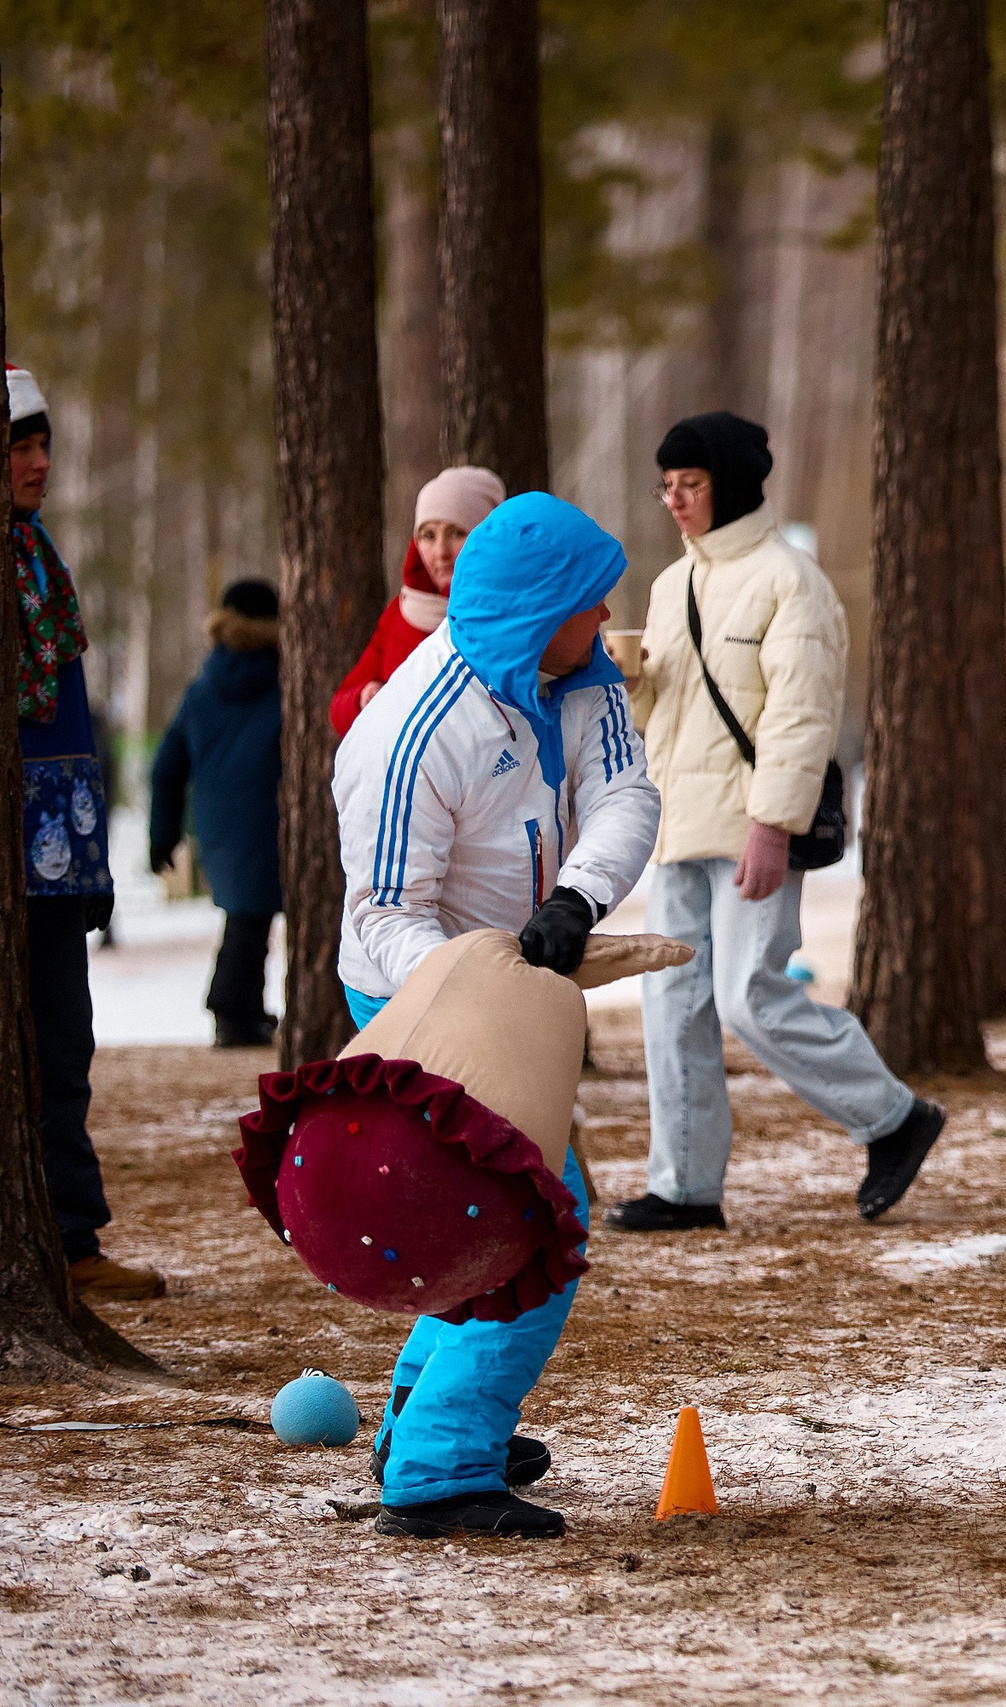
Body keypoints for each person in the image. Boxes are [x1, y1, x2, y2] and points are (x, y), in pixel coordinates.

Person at [335, 491, 659, 1539]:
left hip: (523, 982)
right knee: (531, 1225)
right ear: (539, 609)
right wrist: (474, 992)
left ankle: (419, 1421)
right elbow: (383, 911)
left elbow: (624, 793)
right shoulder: (411, 729)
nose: (605, 622)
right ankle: (440, 1470)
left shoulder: (582, 677)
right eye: (589, 605)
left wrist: (578, 897)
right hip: (416, 994)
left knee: (486, 1217)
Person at [609, 411, 943, 1234]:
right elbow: (667, 718)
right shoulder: (671, 584)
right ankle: (684, 1186)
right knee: (672, 1004)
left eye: (690, 484)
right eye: (667, 486)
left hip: (755, 828)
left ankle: (893, 1117)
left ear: (730, 485)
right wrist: (634, 680)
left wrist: (773, 826)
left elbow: (803, 717)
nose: (674, 500)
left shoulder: (792, 582)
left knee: (749, 997)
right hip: (683, 825)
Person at [7, 365, 162, 1301]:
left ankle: (69, 1237)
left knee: (65, 1046)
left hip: (57, 858)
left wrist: (91, 854)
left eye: (42, 444)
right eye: (19, 446)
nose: (39, 463)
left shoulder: (38, 556)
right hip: (13, 862)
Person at [149, 580, 283, 1048]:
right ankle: (233, 1013)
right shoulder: (290, 682)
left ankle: (241, 1010)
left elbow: (166, 767)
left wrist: (163, 835)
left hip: (218, 824)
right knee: (255, 921)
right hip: (273, 816)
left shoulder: (204, 688)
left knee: (246, 917)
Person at [329, 467, 505, 736]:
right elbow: (339, 708)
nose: (441, 552)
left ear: (485, 538)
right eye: (428, 535)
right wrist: (364, 697)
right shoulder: (402, 612)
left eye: (457, 533)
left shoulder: (507, 613)